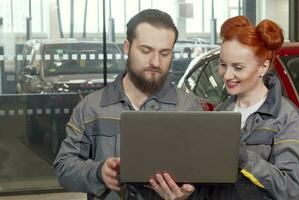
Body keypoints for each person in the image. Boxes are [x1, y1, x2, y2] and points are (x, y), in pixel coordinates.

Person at [54, 9, 205, 200]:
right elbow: (63, 167)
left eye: (164, 53)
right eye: (146, 50)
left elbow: (204, 178)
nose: (155, 62)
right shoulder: (91, 107)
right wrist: (98, 172)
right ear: (127, 47)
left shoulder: (188, 107)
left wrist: (188, 195)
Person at [209, 16, 299, 199]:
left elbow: (292, 191)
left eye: (238, 67)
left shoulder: (287, 118)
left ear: (263, 67)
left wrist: (244, 158)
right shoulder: (219, 114)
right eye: (223, 65)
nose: (227, 75)